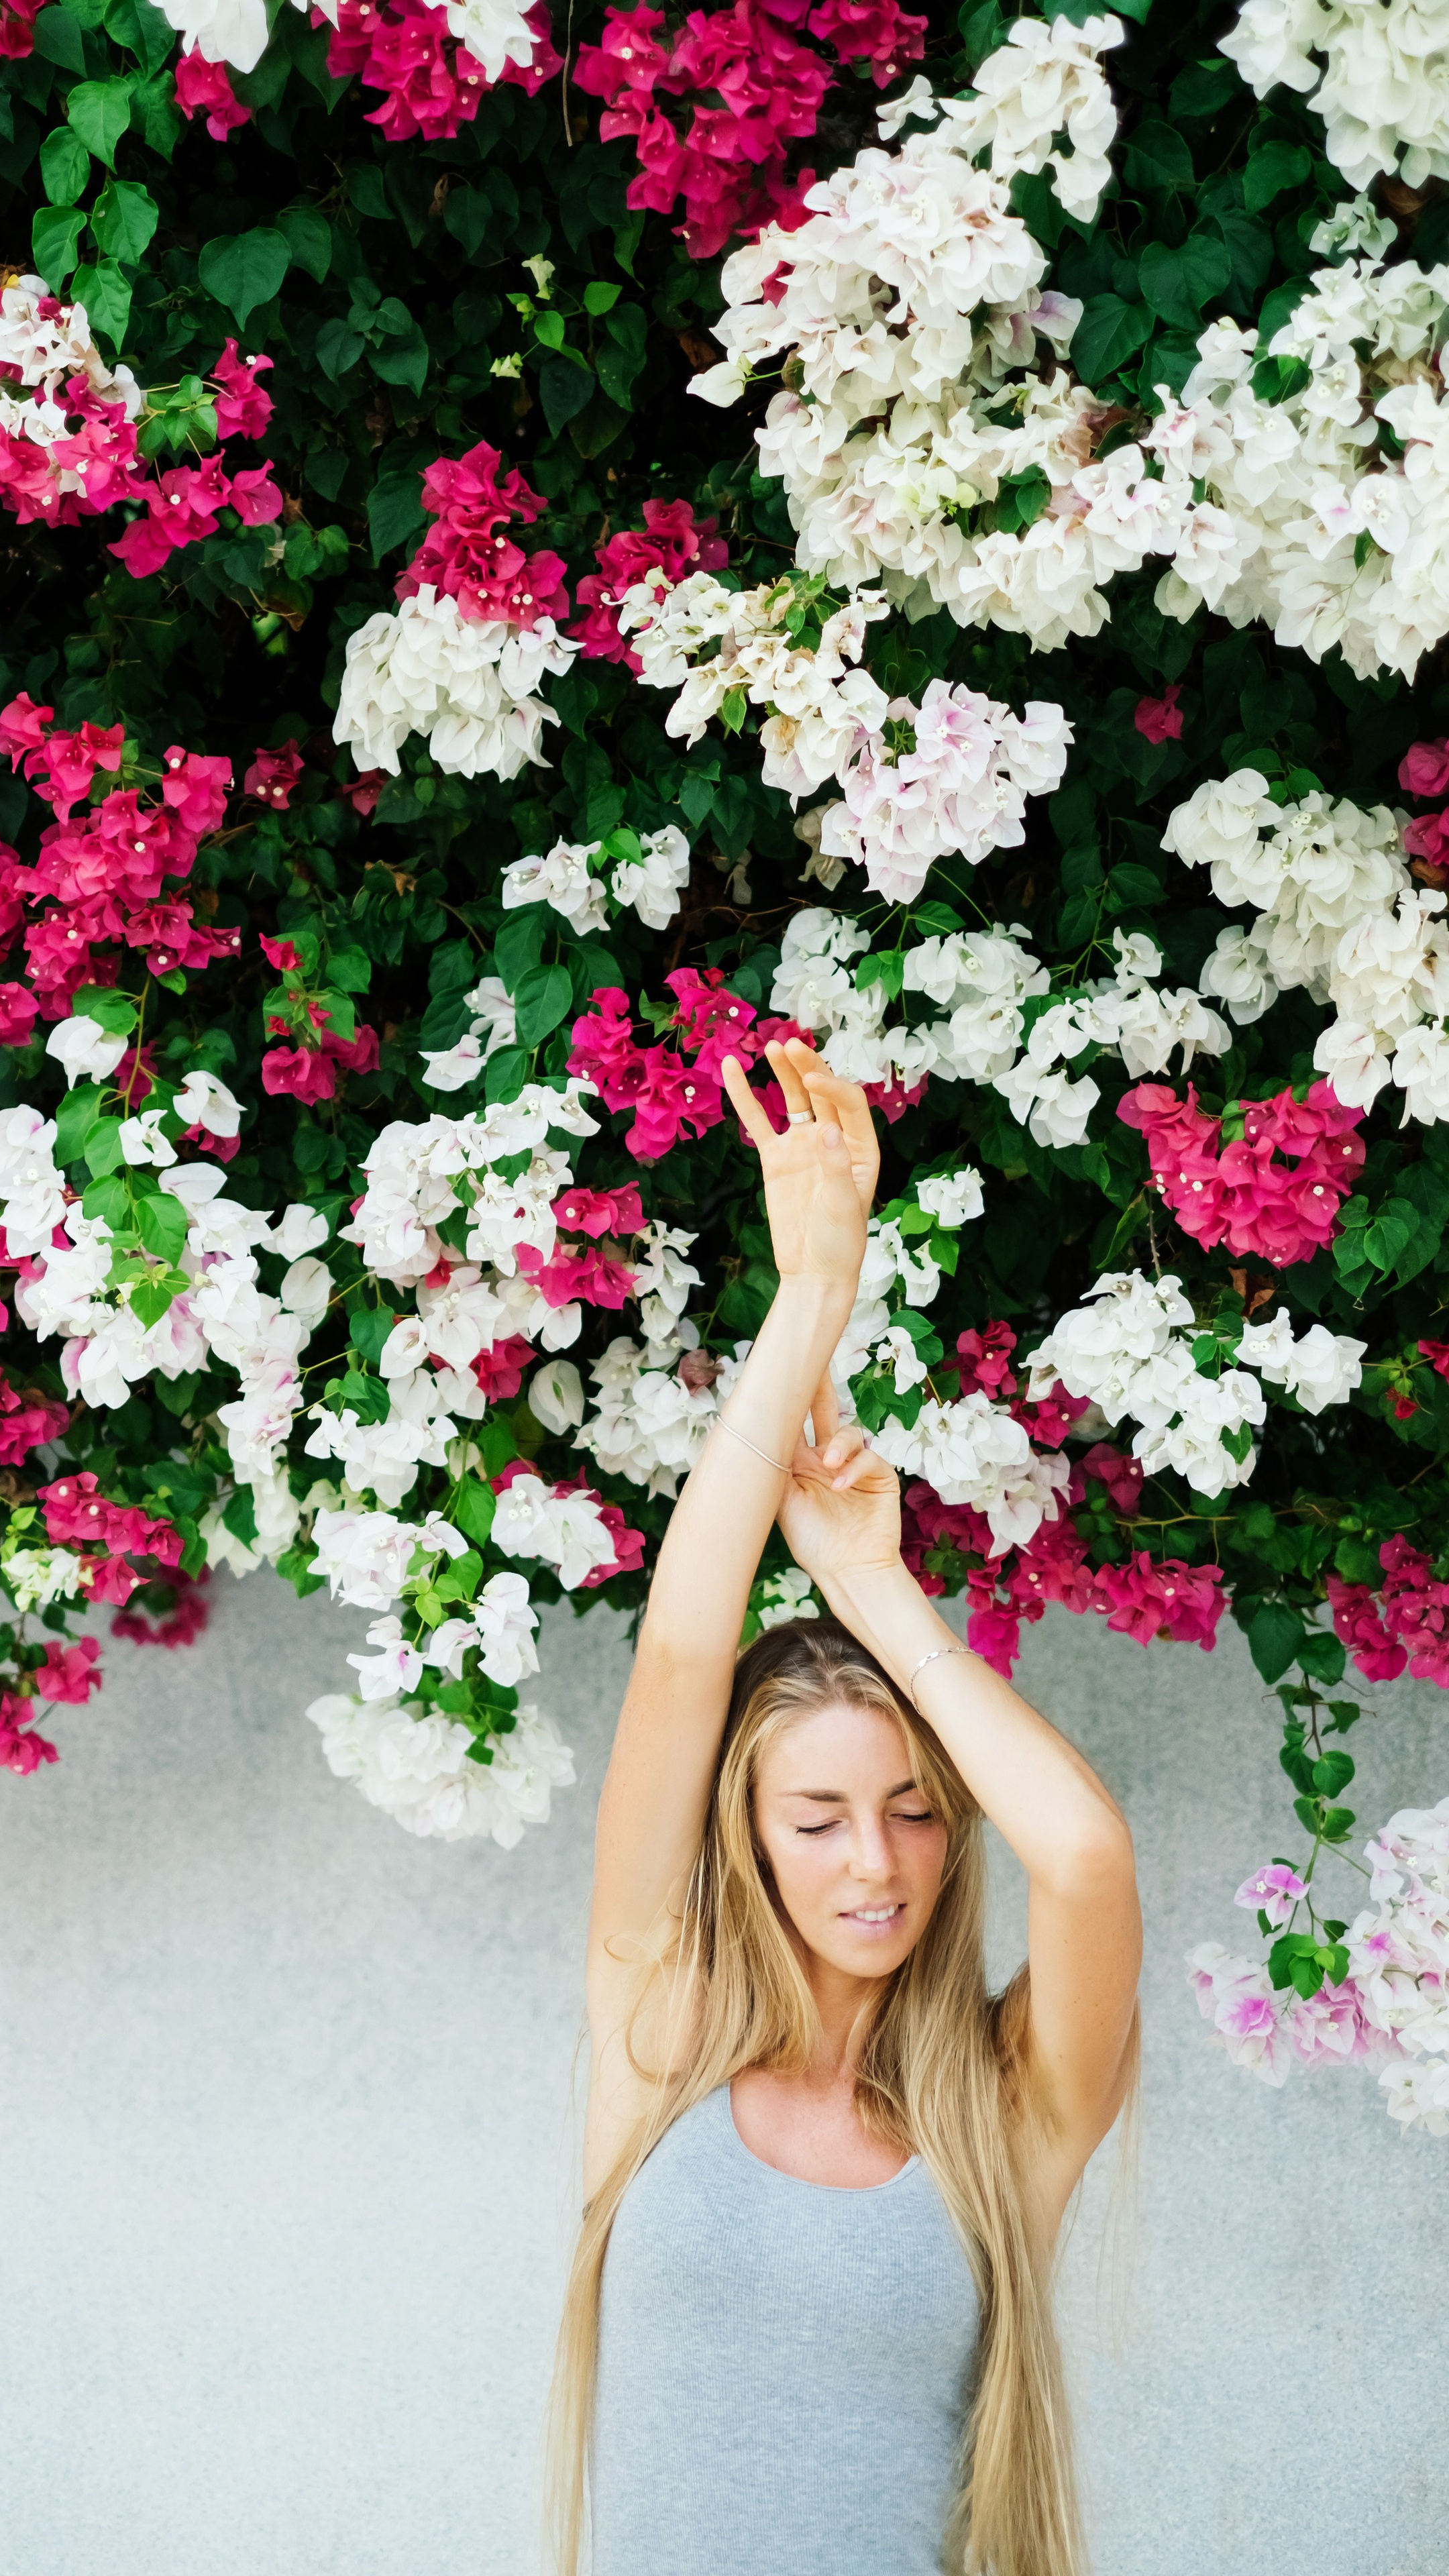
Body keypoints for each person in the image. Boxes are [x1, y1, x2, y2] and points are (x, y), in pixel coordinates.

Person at [547, 1038, 1142, 2576]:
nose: (872, 1863)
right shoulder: (655, 2033)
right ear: (743, 1840)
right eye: (813, 1819)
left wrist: (872, 1586)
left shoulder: (1005, 2114)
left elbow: (1075, 1855)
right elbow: (685, 1649)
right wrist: (810, 1294)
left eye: (914, 1810)